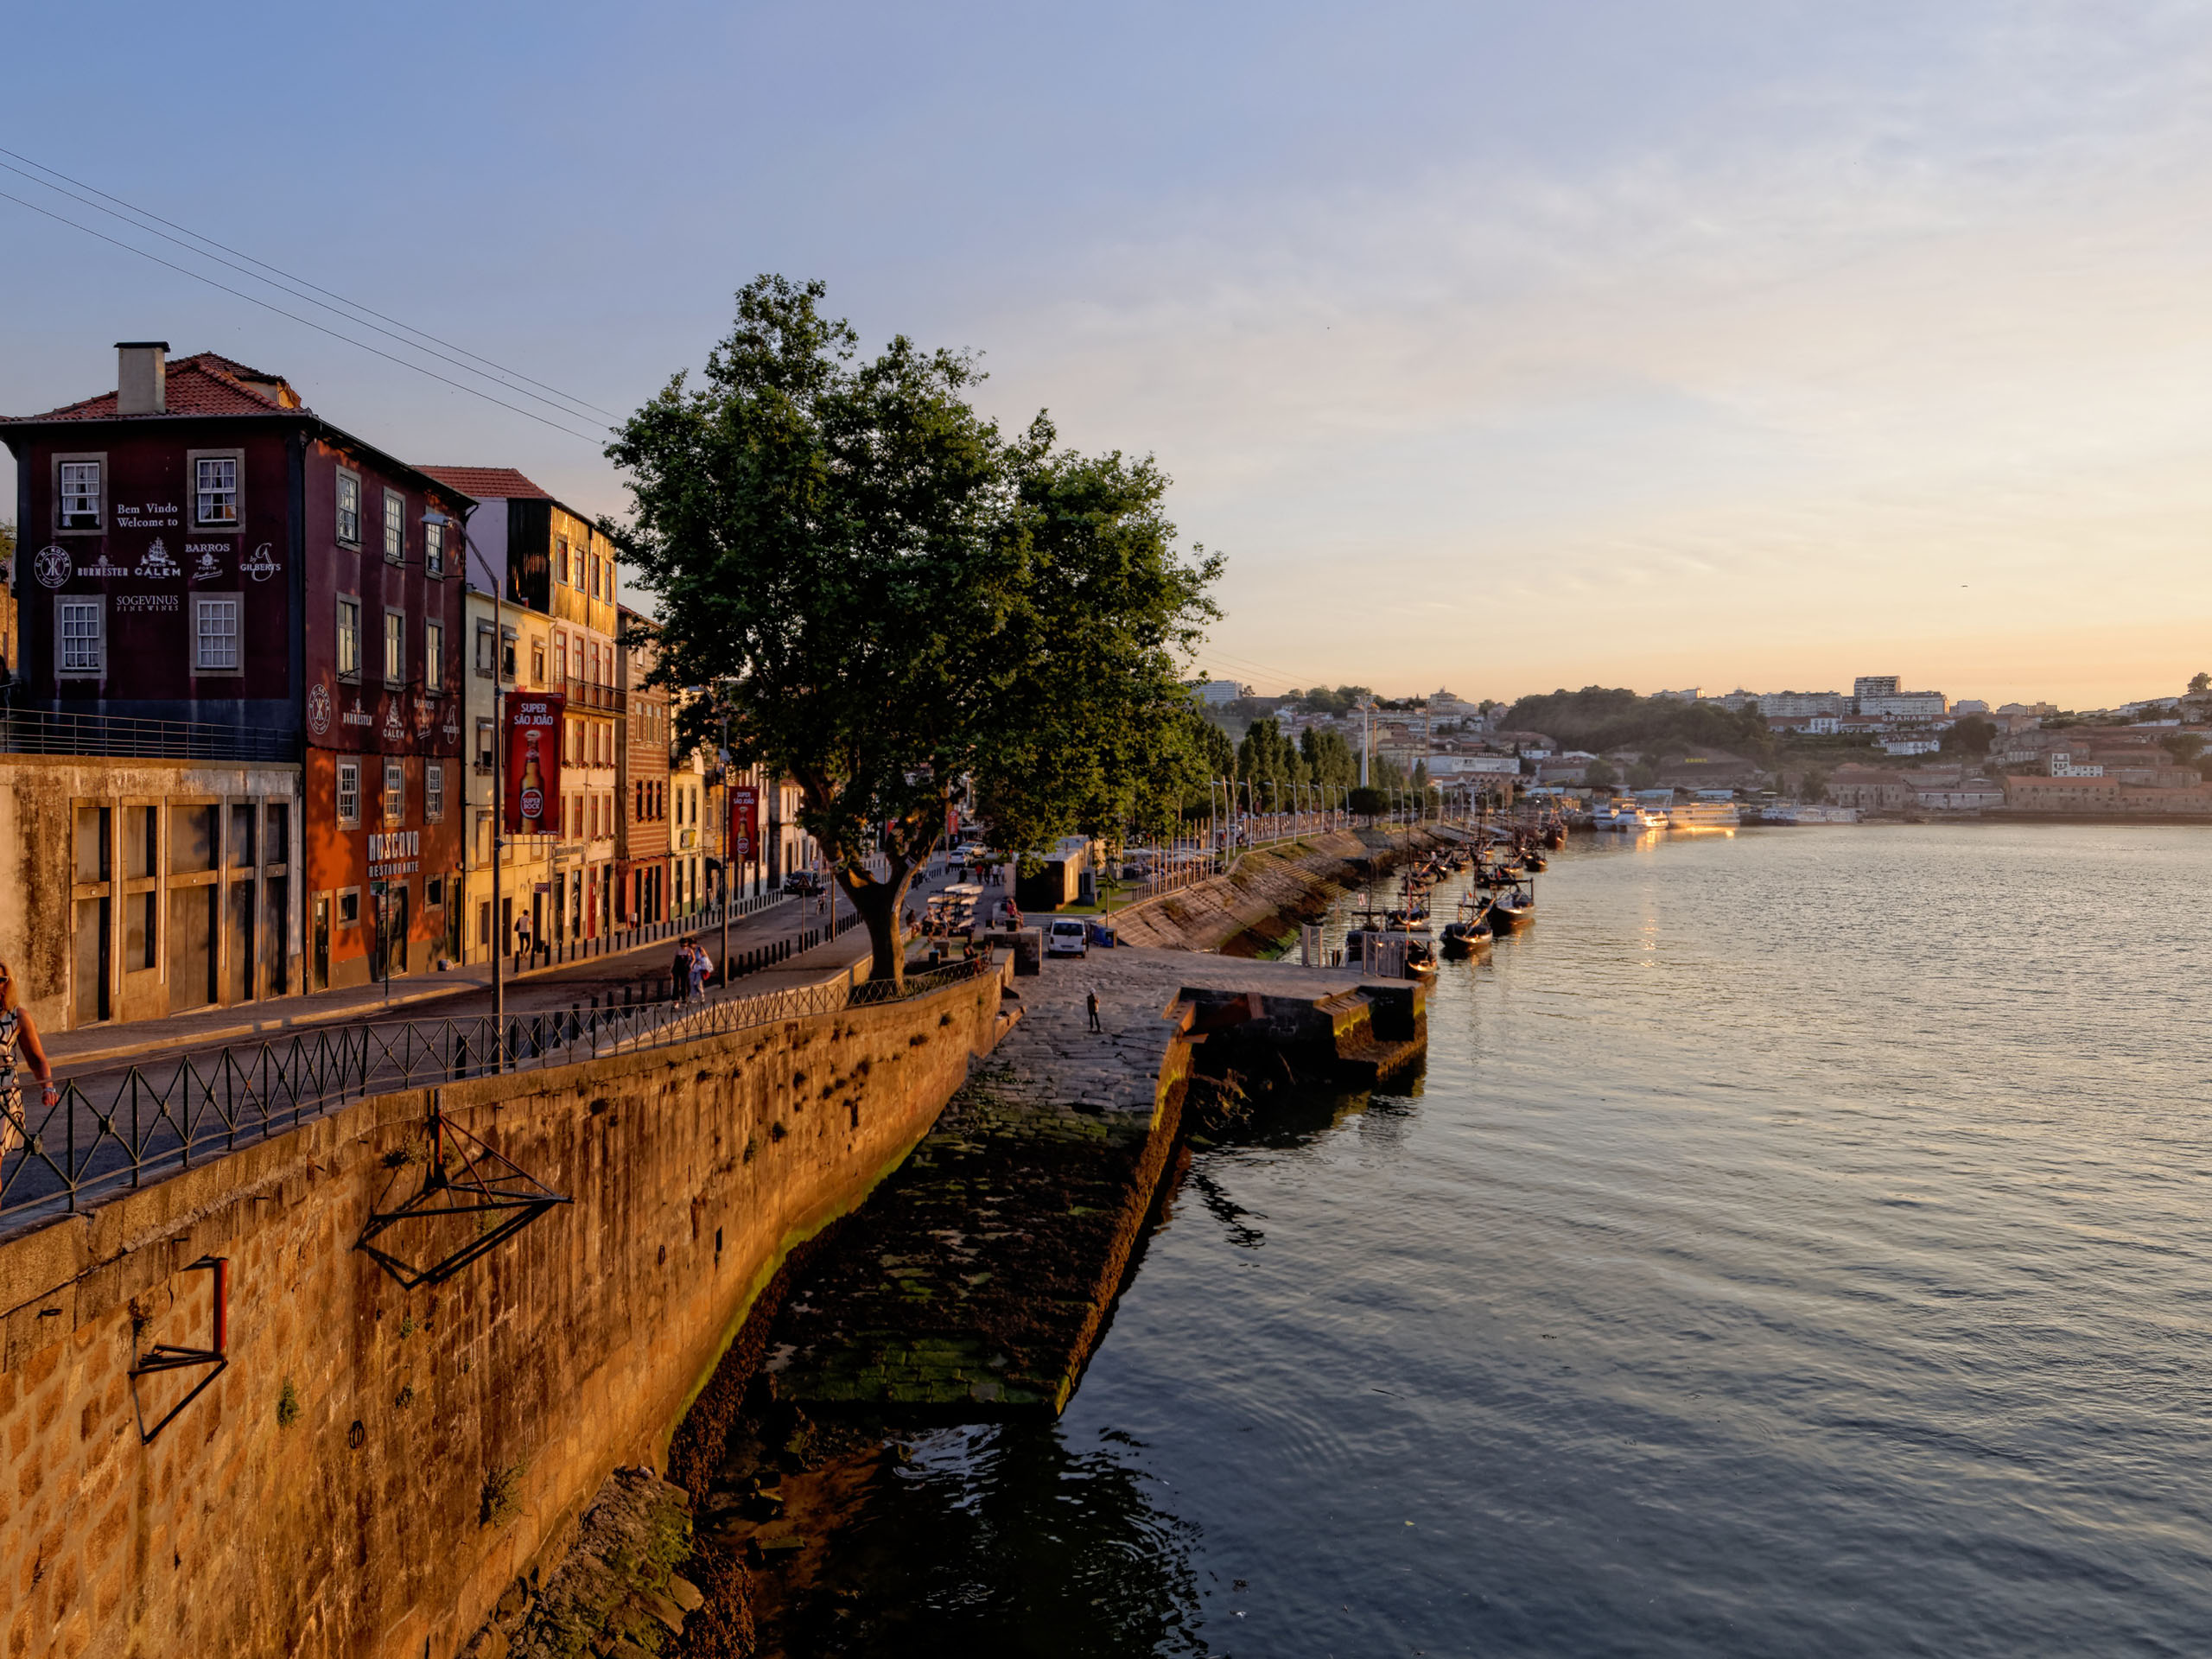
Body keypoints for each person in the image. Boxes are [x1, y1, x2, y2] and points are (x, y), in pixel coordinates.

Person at [0, 960, 58, 1162]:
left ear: (8, 983)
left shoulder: (17, 1016)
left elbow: (36, 1059)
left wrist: (47, 1086)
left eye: (1, 980)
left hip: (4, 1094)